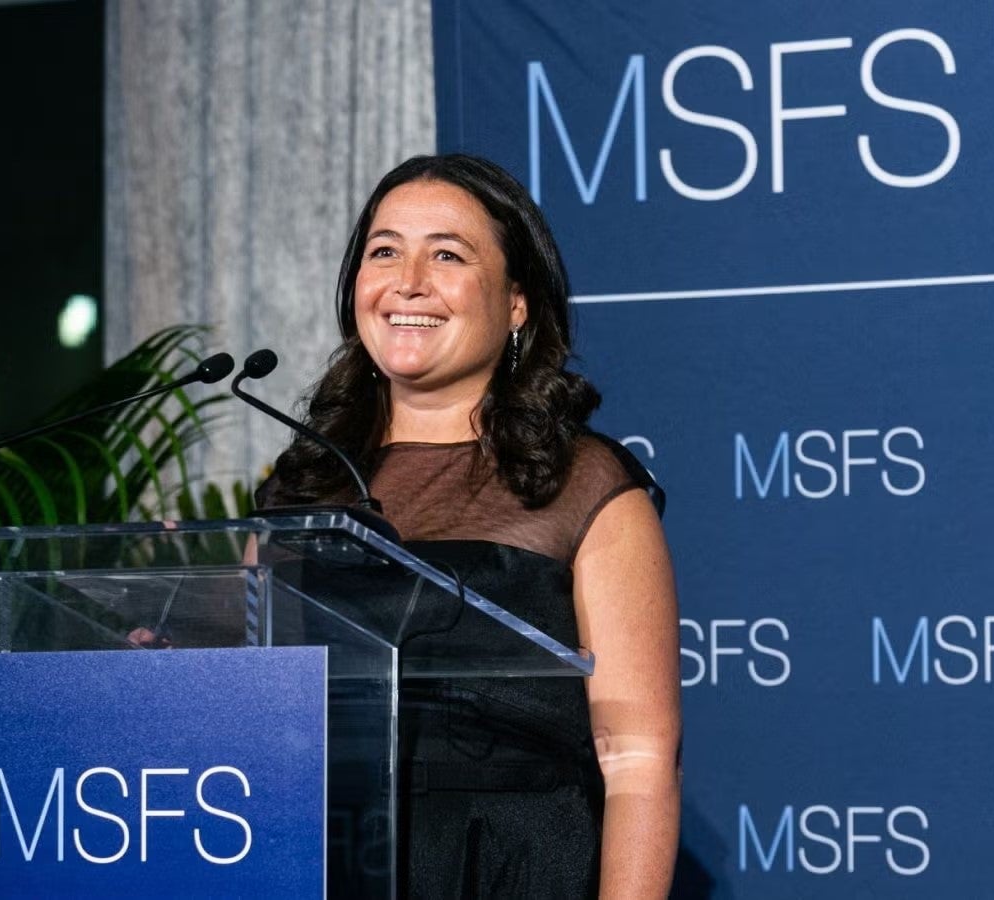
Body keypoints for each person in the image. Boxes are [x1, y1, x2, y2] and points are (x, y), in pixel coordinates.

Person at [255, 153, 680, 898]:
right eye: (384, 251)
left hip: (512, 864)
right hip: (324, 860)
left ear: (518, 303)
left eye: (446, 254)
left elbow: (639, 759)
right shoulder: (302, 487)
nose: (407, 280)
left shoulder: (585, 486)